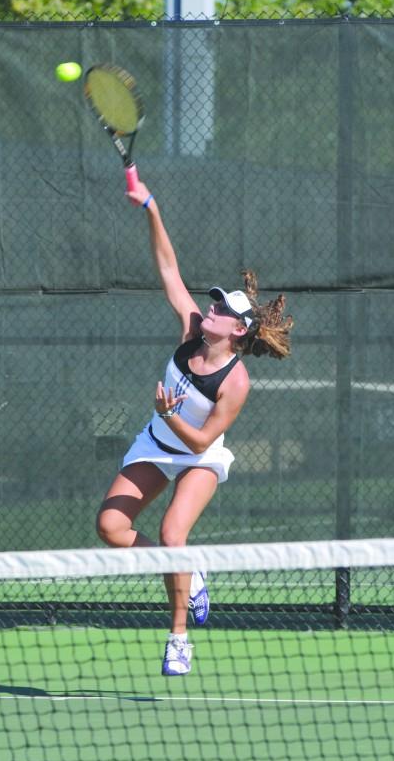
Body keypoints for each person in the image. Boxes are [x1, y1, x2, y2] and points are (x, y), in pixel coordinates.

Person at [96, 181, 293, 675]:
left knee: (171, 534)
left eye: (223, 310)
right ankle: (187, 570)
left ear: (239, 331)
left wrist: (169, 415)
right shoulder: (190, 331)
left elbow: (203, 440)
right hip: (157, 443)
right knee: (110, 527)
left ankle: (178, 637)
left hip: (198, 454)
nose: (213, 308)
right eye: (215, 304)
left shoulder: (236, 381)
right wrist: (151, 207)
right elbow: (168, 267)